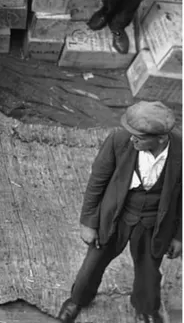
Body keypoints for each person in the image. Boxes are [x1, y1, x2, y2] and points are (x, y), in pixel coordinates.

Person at [57, 101, 181, 323]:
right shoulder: (119, 140)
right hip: (116, 216)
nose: (132, 139)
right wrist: (88, 222)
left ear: (161, 138)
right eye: (131, 134)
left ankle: (146, 309)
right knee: (93, 263)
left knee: (149, 272)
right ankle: (77, 300)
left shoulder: (181, 151)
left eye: (140, 137)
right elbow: (97, 181)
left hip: (154, 223)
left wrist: (179, 236)